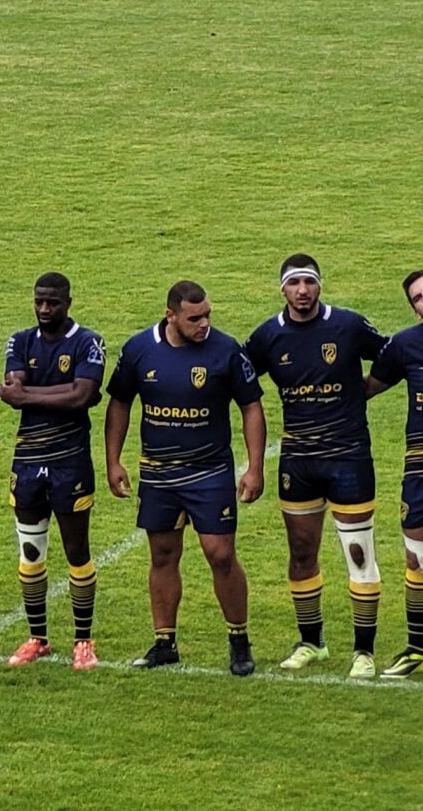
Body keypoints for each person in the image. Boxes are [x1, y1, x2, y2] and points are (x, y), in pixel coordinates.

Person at [105, 280, 267, 676]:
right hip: (158, 474)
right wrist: (113, 461)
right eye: (195, 317)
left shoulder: (226, 350)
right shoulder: (139, 350)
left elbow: (251, 406)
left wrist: (254, 466)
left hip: (209, 471)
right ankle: (164, 643)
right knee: (162, 555)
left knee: (221, 555)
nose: (204, 323)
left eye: (208, 314)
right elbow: (120, 403)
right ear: (171, 316)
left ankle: (239, 641)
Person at [245, 254, 390, 676]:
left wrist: (366, 389)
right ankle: (312, 642)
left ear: (320, 286)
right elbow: (238, 379)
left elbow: (394, 357)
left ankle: (364, 651)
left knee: (359, 552)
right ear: (283, 289)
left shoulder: (347, 325)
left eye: (309, 282)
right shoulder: (267, 336)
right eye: (294, 283)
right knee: (301, 552)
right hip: (299, 459)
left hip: (348, 456)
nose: (302, 291)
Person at [0, 271, 108, 670]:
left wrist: (28, 395)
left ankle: (83, 640)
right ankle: (38, 638)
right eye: (39, 302)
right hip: (27, 461)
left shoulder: (88, 342)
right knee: (31, 553)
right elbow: (14, 393)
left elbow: (82, 395)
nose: (45, 309)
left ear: (68, 302)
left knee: (77, 551)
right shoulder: (20, 340)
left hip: (70, 460)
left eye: (53, 303)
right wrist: (53, 394)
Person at [369, 270, 423, 676]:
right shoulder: (405, 345)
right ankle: (419, 647)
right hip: (420, 463)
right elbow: (365, 387)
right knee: (416, 556)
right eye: (418, 298)